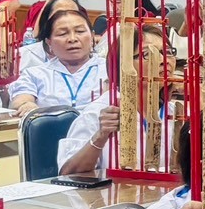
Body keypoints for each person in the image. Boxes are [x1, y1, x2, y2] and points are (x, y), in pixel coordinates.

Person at [56, 23, 176, 176]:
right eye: (147, 54)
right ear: (124, 64)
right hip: (115, 191)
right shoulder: (99, 112)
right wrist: (101, 136)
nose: (164, 60)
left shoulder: (177, 111)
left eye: (168, 52)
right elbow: (68, 174)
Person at [7, 7, 106, 115]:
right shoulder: (35, 74)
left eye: (80, 31)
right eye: (62, 34)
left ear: (92, 36)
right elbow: (19, 100)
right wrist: (26, 105)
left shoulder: (109, 70)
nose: (72, 39)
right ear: (49, 42)